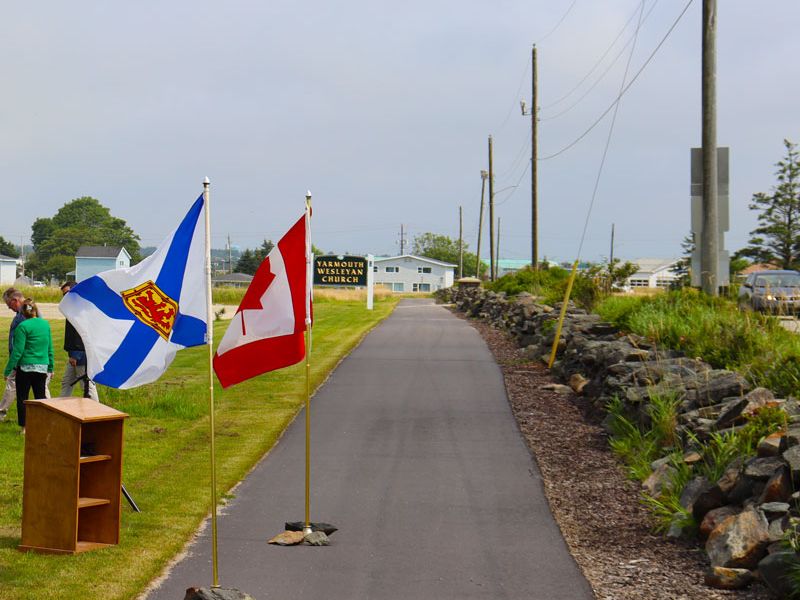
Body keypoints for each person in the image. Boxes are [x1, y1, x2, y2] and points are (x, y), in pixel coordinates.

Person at [3, 299, 54, 434]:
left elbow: (17, 351)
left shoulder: (22, 326)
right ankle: (43, 425)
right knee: (40, 397)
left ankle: (24, 428)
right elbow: (49, 347)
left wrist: (8, 370)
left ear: (23, 313)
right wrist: (51, 367)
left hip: (25, 368)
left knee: (23, 398)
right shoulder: (45, 325)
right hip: (42, 367)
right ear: (36, 310)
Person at [59, 282, 99, 401]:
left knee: (87, 385)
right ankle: (61, 409)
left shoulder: (79, 310)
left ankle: (96, 411)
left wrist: (75, 354)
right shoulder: (73, 308)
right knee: (66, 382)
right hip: (75, 353)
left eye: (67, 293)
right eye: (63, 295)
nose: (64, 297)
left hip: (81, 354)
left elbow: (79, 334)